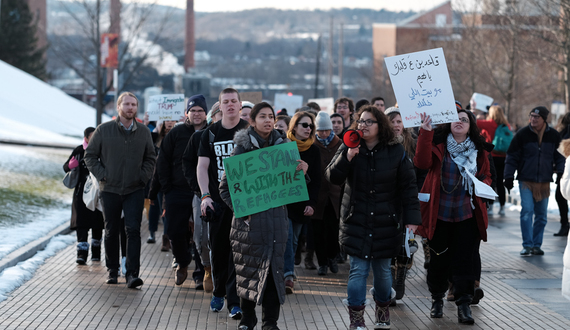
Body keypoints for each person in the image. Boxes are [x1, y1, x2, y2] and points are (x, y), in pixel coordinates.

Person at [326, 105, 420, 329]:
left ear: (380, 126)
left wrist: (412, 219)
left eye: (369, 121)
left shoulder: (395, 150)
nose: (363, 125)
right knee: (358, 270)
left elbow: (408, 186)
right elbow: (332, 177)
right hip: (356, 220)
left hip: (385, 222)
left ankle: (382, 311)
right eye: (361, 121)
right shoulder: (349, 145)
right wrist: (347, 157)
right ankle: (356, 319)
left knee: (383, 271)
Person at [414, 109, 492, 325]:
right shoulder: (438, 145)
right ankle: (437, 299)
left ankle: (464, 305)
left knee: (464, 261)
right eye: (455, 119)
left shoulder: (479, 150)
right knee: (438, 261)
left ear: (470, 126)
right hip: (439, 214)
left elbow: (487, 174)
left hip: (467, 215)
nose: (459, 122)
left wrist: (483, 185)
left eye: (464, 120)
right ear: (448, 124)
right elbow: (421, 162)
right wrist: (425, 132)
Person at [219, 102, 293, 330]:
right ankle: (248, 319)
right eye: (263, 116)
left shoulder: (284, 148)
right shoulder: (242, 149)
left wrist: (302, 173)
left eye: (271, 116)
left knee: (274, 275)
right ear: (252, 120)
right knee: (248, 272)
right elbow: (225, 189)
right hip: (248, 226)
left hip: (276, 224)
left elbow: (292, 187)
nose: (268, 120)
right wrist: (243, 211)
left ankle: (270, 322)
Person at [84, 91, 156, 288]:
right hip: (110, 188)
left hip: (134, 189)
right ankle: (112, 270)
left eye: (133, 104)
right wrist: (103, 175)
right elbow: (90, 156)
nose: (130, 108)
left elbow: (151, 158)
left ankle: (132, 273)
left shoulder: (143, 132)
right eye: (127, 104)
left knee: (133, 230)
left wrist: (142, 177)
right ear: (118, 107)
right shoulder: (103, 130)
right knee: (111, 230)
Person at [197, 88, 248, 318]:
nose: (229, 105)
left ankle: (234, 301)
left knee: (238, 253)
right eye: (225, 101)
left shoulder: (250, 133)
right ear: (220, 105)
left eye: (233, 101)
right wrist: (205, 195)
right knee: (218, 251)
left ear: (239, 105)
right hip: (218, 202)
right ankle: (218, 291)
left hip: (244, 203)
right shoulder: (210, 133)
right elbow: (202, 167)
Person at [157, 94, 208, 286]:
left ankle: (201, 272)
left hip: (202, 191)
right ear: (187, 113)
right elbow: (163, 161)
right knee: (174, 231)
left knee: (201, 235)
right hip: (177, 190)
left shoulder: (211, 133)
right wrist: (166, 188)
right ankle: (183, 262)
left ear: (206, 113)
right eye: (193, 110)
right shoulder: (176, 133)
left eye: (200, 111)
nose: (196, 114)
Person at [504, 106, 565, 256]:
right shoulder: (522, 134)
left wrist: (562, 172)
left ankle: (537, 245)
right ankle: (527, 245)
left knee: (542, 216)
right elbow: (511, 156)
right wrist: (508, 176)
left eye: (537, 117)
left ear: (544, 119)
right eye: (531, 116)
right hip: (526, 180)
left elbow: (561, 157)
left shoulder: (554, 136)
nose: (533, 119)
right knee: (527, 211)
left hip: (544, 182)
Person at [384, 107, 427, 304]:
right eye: (392, 121)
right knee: (386, 246)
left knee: (405, 246)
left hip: (406, 204)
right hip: (385, 204)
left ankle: (401, 273)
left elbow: (420, 172)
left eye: (399, 122)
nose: (396, 125)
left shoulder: (413, 145)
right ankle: (387, 284)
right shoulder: (380, 145)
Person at [182, 103, 222, 292]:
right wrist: (198, 188)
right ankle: (207, 267)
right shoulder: (201, 136)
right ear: (212, 117)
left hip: (231, 195)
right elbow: (189, 164)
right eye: (219, 114)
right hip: (203, 194)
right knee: (201, 235)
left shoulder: (240, 136)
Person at [283, 111, 320, 294]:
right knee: (287, 237)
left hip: (301, 202)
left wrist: (312, 204)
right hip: (283, 202)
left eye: (311, 126)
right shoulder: (283, 146)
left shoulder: (314, 150)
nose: (308, 129)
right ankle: (288, 275)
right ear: (294, 127)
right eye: (304, 125)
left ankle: (287, 271)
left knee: (295, 240)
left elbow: (318, 181)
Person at [63, 127, 105, 264]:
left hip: (97, 193)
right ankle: (81, 254)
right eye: (92, 137)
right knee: (81, 223)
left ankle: (96, 252)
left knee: (97, 222)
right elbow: (65, 167)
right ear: (86, 138)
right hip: (81, 193)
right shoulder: (79, 151)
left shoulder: (103, 150)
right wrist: (70, 165)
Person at [312, 112, 342, 276]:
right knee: (318, 231)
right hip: (318, 196)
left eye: (326, 130)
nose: (324, 133)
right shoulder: (313, 145)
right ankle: (322, 262)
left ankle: (332, 258)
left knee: (334, 230)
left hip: (335, 195)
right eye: (320, 130)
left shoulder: (340, 144)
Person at [476, 105, 511, 216]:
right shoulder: (507, 125)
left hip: (492, 157)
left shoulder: (489, 124)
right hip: (504, 157)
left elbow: (474, 122)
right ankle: (502, 207)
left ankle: (490, 206)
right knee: (500, 183)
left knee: (491, 181)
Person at [555, 112, 570, 236]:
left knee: (561, 196)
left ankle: (564, 224)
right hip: (563, 168)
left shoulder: (563, 132)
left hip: (564, 169)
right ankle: (565, 224)